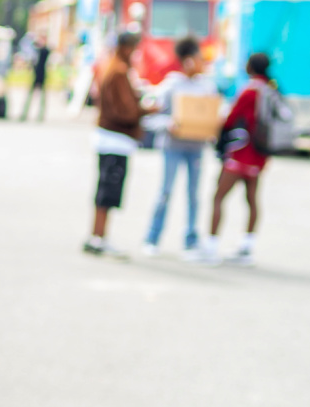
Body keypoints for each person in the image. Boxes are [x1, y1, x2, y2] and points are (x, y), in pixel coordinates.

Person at [144, 35, 219, 258]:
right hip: (172, 146)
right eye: (198, 58)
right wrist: (168, 124)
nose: (202, 63)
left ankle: (191, 240)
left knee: (194, 195)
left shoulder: (207, 87)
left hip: (196, 147)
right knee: (165, 191)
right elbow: (150, 117)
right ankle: (152, 237)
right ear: (188, 60)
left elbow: (214, 117)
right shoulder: (172, 85)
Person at [207, 52, 273, 266]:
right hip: (259, 156)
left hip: (240, 153)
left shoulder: (250, 91)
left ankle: (211, 246)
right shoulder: (271, 90)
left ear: (251, 67)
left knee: (219, 197)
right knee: (252, 200)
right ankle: (247, 246)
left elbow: (230, 118)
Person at [85, 30, 145, 258]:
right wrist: (146, 110)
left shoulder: (111, 66)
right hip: (115, 138)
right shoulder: (119, 70)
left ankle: (97, 236)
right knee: (107, 192)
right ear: (128, 48)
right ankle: (98, 237)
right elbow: (125, 110)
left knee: (105, 190)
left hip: (109, 136)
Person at [20, 31, 53, 120]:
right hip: (35, 75)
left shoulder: (45, 50)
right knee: (30, 96)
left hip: (42, 75)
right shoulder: (36, 50)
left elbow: (44, 50)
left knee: (42, 98)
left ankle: (40, 115)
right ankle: (25, 114)